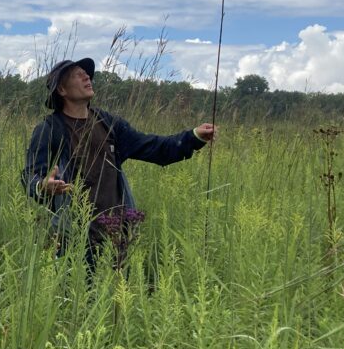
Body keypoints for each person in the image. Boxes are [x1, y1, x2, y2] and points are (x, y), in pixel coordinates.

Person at [23, 58, 215, 270]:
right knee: (77, 299)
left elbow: (153, 147)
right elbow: (30, 176)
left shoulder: (108, 124)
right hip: (75, 240)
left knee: (118, 300)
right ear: (61, 89)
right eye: (78, 74)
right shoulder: (49, 129)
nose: (87, 76)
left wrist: (194, 137)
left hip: (117, 236)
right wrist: (44, 186)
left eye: (87, 74)